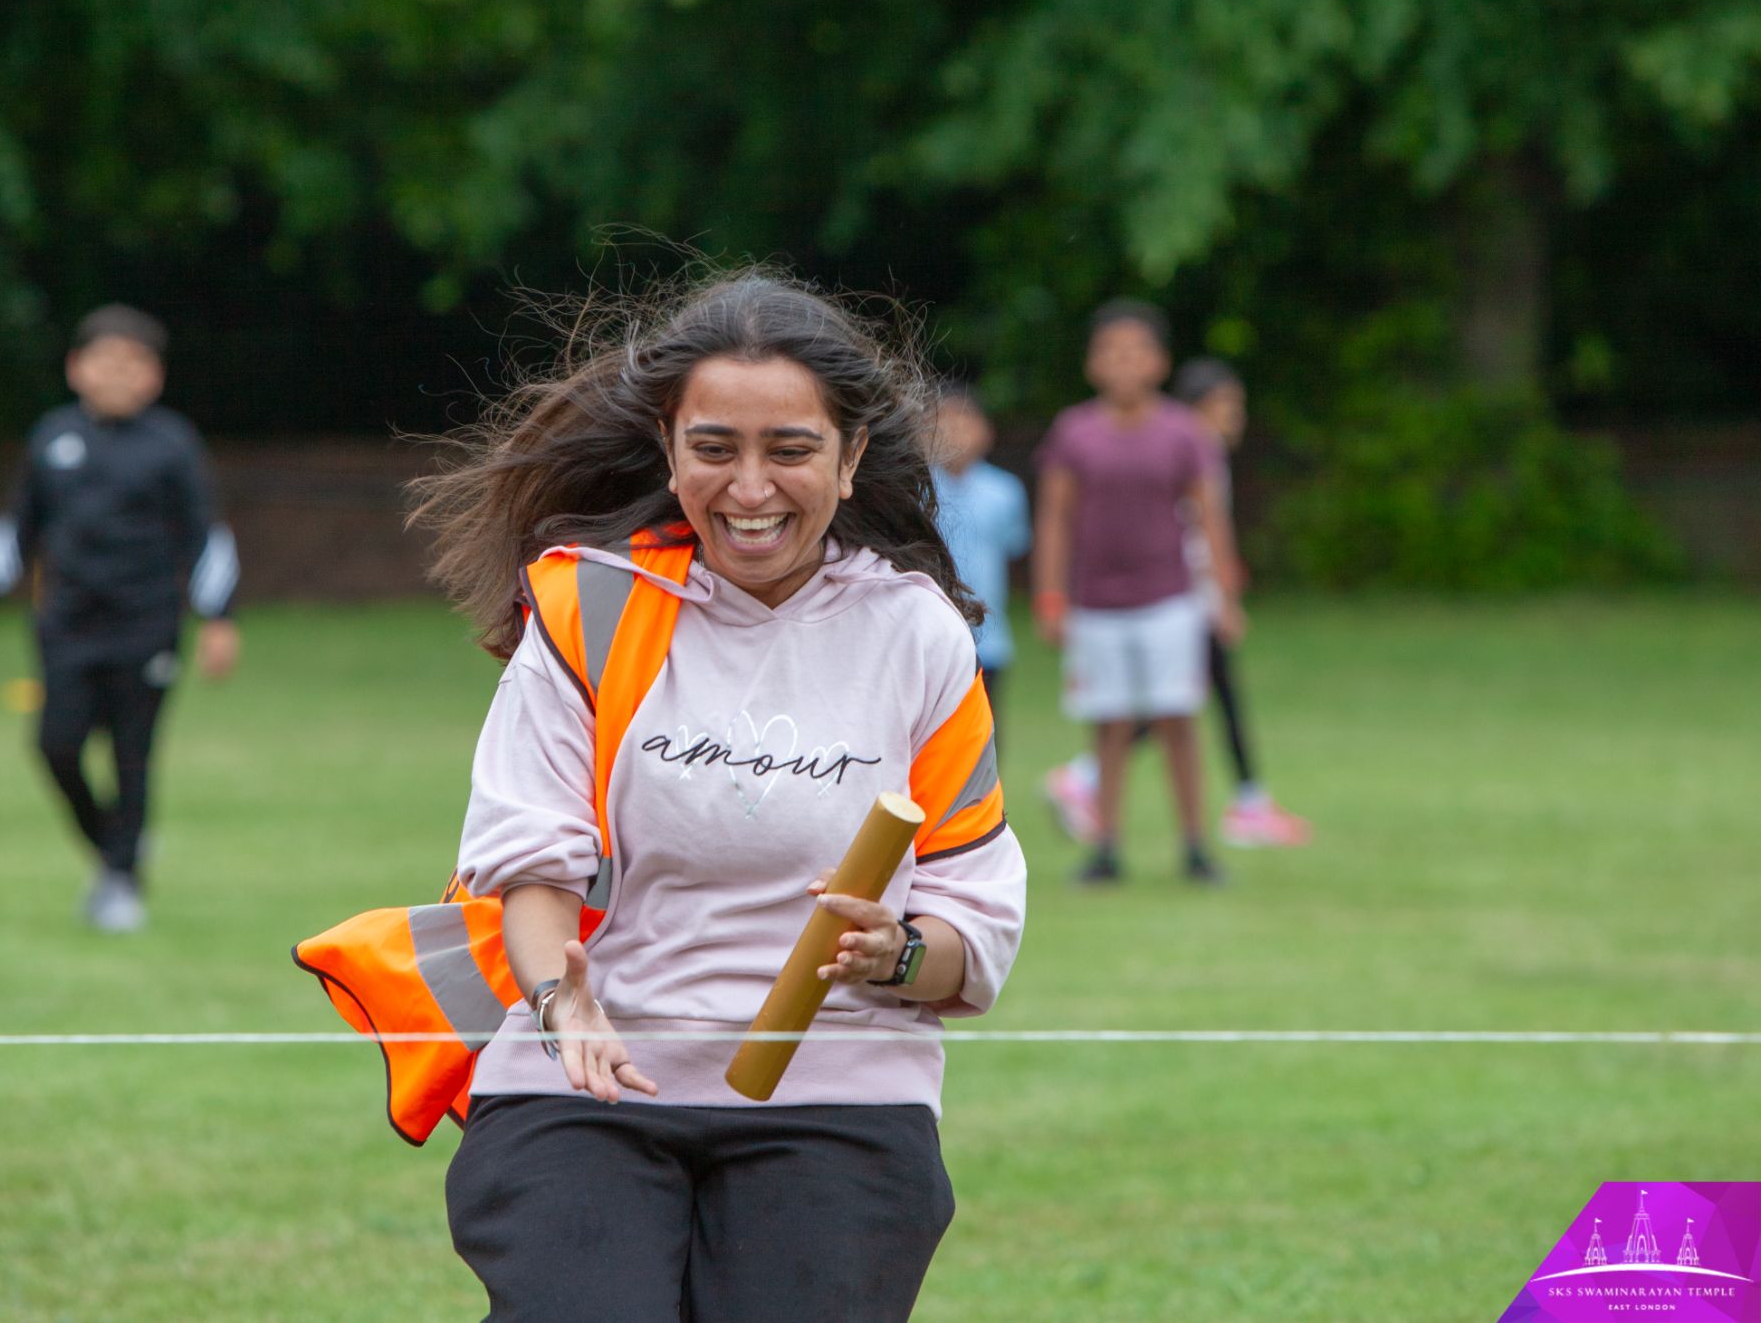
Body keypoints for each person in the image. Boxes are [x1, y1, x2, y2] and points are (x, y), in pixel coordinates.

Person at [406, 271, 1027, 1321]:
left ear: (850, 456)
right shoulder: (586, 605)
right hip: (584, 1083)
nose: (748, 488)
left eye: (788, 449)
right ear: (666, 443)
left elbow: (972, 912)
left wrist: (901, 952)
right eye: (714, 448)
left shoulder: (914, 632)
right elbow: (528, 862)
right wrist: (562, 1007)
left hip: (841, 1096)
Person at [0, 304, 241, 932]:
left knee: (133, 756)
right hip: (66, 625)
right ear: (76, 369)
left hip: (147, 627)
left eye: (132, 363)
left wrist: (218, 618)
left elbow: (206, 538)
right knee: (55, 745)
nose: (116, 374)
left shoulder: (172, 445)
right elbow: (17, 526)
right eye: (104, 361)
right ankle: (116, 849)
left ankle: (121, 885)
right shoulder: (52, 439)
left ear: (153, 376)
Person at [1045, 357, 1313, 849]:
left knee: (1191, 701)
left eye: (1239, 406)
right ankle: (1094, 783)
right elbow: (1193, 534)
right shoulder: (1187, 449)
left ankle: (1245, 798)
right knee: (1178, 705)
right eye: (1224, 406)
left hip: (1186, 600)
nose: (1235, 417)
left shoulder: (1201, 452)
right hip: (1181, 601)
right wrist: (1221, 597)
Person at [1033, 299, 1240, 885]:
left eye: (1136, 352)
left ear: (1159, 362)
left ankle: (1196, 845)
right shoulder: (1075, 432)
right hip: (1097, 606)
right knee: (1110, 725)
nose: (1124, 363)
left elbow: (1209, 516)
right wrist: (1052, 597)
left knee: (1177, 720)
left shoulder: (1182, 432)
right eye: (1111, 352)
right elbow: (1055, 518)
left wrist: (1224, 593)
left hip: (1169, 598)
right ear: (1093, 364)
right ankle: (1106, 847)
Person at [930, 384, 1031, 727]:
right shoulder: (914, 491)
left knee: (985, 725)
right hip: (929, 635)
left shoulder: (1004, 492)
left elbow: (1013, 546)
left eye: (965, 420)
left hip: (990, 636)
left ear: (986, 432)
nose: (955, 431)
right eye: (944, 421)